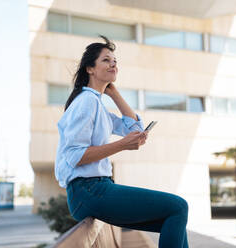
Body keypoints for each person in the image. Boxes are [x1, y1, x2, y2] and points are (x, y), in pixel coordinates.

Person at [54, 35, 189, 248]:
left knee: (174, 216)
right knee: (178, 207)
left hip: (97, 189)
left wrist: (114, 93)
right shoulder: (86, 102)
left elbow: (134, 128)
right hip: (88, 191)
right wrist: (121, 145)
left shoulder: (98, 104)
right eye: (106, 60)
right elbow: (74, 156)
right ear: (90, 68)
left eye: (115, 61)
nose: (113, 64)